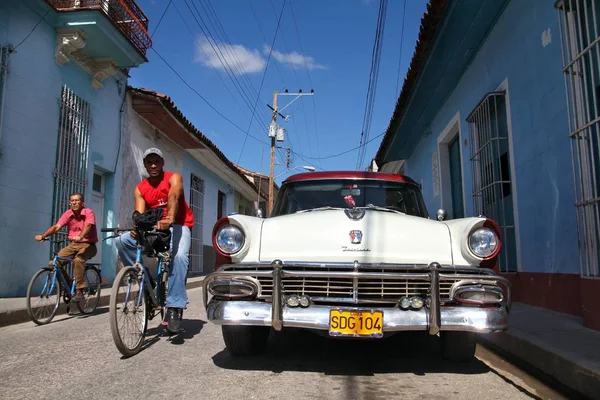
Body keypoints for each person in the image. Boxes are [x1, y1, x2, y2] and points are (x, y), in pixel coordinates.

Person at [115, 148, 193, 334]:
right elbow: (141, 214)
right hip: (155, 227)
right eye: (149, 162)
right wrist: (136, 229)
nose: (153, 165)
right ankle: (144, 280)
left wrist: (169, 219)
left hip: (179, 224)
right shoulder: (141, 188)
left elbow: (174, 195)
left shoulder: (173, 178)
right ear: (145, 165)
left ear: (162, 162)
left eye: (156, 161)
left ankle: (175, 308)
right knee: (121, 242)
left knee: (180, 257)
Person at [35, 193, 98, 302]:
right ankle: (68, 283)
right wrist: (43, 236)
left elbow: (88, 225)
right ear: (69, 203)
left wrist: (81, 236)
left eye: (77, 200)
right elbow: (56, 227)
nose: (74, 202)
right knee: (53, 263)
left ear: (82, 202)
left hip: (89, 245)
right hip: (74, 245)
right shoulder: (68, 214)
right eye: (72, 201)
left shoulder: (88, 212)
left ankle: (79, 290)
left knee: (78, 260)